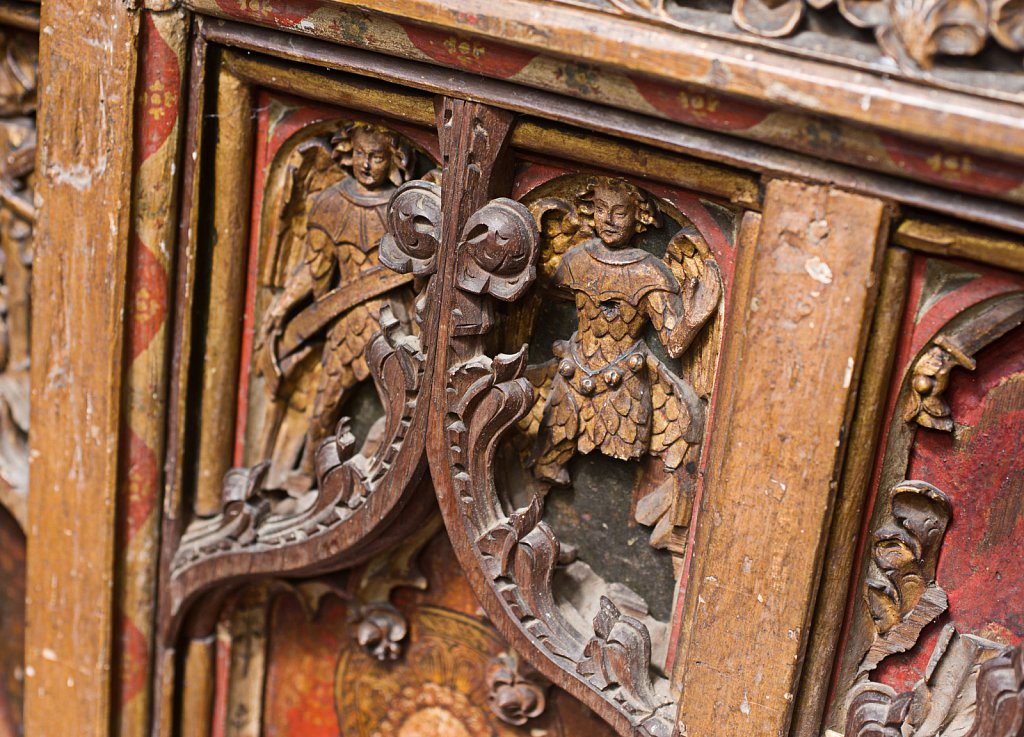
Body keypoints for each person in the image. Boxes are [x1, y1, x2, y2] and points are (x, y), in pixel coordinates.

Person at [256, 122, 416, 491]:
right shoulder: (331, 204)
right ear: (349, 154)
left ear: (393, 158)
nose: (366, 164)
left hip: (392, 321)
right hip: (345, 323)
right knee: (323, 406)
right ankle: (310, 474)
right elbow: (315, 270)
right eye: (360, 154)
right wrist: (282, 308)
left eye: (376, 157)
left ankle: (383, 478)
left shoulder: (406, 207)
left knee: (401, 406)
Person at [530, 176, 720, 486]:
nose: (609, 220)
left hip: (625, 383)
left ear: (639, 215)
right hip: (573, 374)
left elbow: (672, 346)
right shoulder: (578, 260)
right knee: (547, 454)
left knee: (677, 435)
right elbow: (540, 292)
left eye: (619, 212)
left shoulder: (650, 273)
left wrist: (695, 318)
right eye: (601, 209)